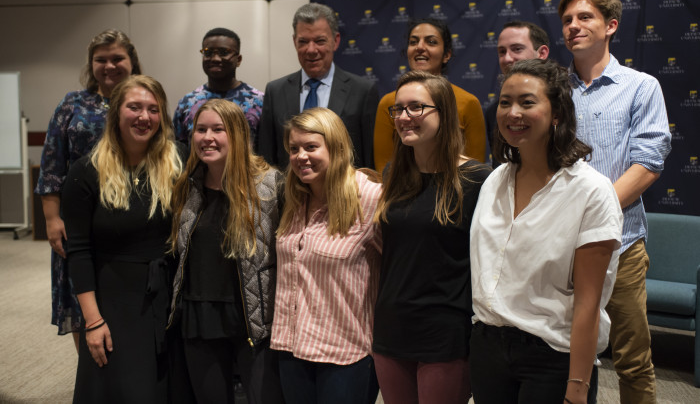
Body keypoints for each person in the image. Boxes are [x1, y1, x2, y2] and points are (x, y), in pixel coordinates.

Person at [469, 59, 623, 404]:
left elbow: (587, 303)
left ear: (556, 113)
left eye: (527, 102)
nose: (513, 113)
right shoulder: (496, 180)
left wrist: (578, 388)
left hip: (552, 356)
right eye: (505, 102)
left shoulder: (591, 191)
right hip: (487, 348)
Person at [558, 0, 672, 404]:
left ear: (611, 25)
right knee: (566, 356)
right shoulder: (552, 90)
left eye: (584, 17)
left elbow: (648, 163)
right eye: (567, 20)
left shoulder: (641, 87)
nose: (574, 26)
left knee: (632, 359)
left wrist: (590, 213)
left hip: (619, 245)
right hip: (560, 246)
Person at [62, 75, 183, 403]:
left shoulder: (179, 162)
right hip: (114, 303)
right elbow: (79, 251)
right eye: (135, 107)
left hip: (169, 299)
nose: (145, 117)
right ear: (116, 113)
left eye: (153, 109)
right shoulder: (85, 172)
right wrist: (93, 321)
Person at [372, 70, 491, 403]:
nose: (404, 117)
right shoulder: (393, 175)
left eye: (416, 108)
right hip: (391, 327)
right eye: (398, 109)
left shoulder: (478, 179)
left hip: (446, 332)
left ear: (444, 112)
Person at [168, 99, 284, 403]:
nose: (208, 137)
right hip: (199, 315)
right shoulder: (185, 186)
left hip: (253, 317)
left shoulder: (270, 185)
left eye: (218, 129)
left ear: (237, 134)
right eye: (201, 129)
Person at [35, 29, 142, 347]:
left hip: (131, 217)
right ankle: (90, 381)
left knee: (126, 298)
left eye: (117, 58)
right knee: (83, 303)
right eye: (101, 60)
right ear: (91, 64)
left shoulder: (144, 100)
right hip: (78, 220)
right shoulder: (72, 104)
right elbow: (52, 166)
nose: (110, 66)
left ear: (131, 60)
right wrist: (53, 220)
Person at [271, 107, 382, 404]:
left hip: (346, 354)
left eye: (311, 147)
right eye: (293, 149)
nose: (300, 157)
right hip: (291, 348)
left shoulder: (370, 197)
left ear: (335, 146)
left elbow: (401, 268)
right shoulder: (293, 198)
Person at [258, 3, 379, 169]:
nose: (311, 49)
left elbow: (369, 160)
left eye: (320, 41)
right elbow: (267, 159)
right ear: (294, 42)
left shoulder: (363, 92)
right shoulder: (275, 91)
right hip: (289, 192)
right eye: (303, 41)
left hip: (345, 192)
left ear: (335, 41)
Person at [374, 18, 486, 173]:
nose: (420, 47)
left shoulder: (468, 102)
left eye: (431, 42)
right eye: (413, 42)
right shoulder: (388, 103)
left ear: (447, 55)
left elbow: (475, 168)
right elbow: (383, 170)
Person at [173, 28, 264, 146]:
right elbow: (178, 151)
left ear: (239, 60)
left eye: (224, 52)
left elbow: (267, 150)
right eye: (208, 52)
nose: (215, 59)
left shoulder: (259, 101)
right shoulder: (187, 103)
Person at [484, 20, 550, 164]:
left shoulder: (566, 102)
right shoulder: (492, 113)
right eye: (502, 52)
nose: (507, 58)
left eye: (517, 49)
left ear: (542, 53)